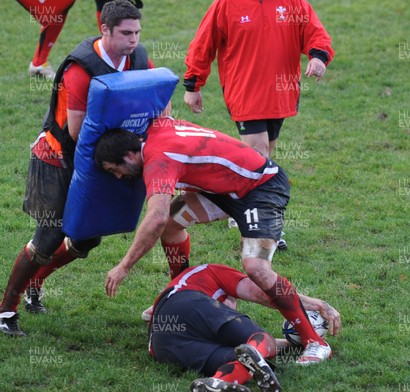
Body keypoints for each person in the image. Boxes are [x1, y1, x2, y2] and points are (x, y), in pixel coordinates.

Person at [95, 118, 333, 364]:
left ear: (130, 154)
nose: (119, 177)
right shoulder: (157, 126)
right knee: (170, 226)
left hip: (261, 188)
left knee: (256, 267)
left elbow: (155, 217)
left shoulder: (158, 160)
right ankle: (180, 295)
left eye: (116, 169)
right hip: (221, 190)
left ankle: (314, 341)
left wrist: (123, 266)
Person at [0, 0, 153, 337]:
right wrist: (128, 148)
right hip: (58, 157)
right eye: (126, 33)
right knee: (48, 238)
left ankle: (35, 284)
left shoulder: (138, 57)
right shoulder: (81, 68)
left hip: (103, 157)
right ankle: (6, 310)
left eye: (137, 32)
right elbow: (77, 131)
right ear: (105, 31)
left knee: (87, 238)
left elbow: (155, 97)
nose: (133, 40)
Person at [183, 0, 334, 159]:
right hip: (244, 90)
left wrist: (318, 57)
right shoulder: (227, 1)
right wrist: (192, 84)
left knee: (267, 152)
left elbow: (313, 31)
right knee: (257, 152)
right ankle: (252, 192)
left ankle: (254, 191)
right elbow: (203, 44)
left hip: (279, 90)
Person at [149, 263, 341, 391]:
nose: (233, 308)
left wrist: (292, 344)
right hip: (185, 304)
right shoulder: (209, 272)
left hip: (161, 344)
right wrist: (316, 304)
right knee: (260, 338)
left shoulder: (183, 304)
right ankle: (228, 377)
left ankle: (218, 382)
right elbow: (262, 293)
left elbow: (249, 354)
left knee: (241, 360)